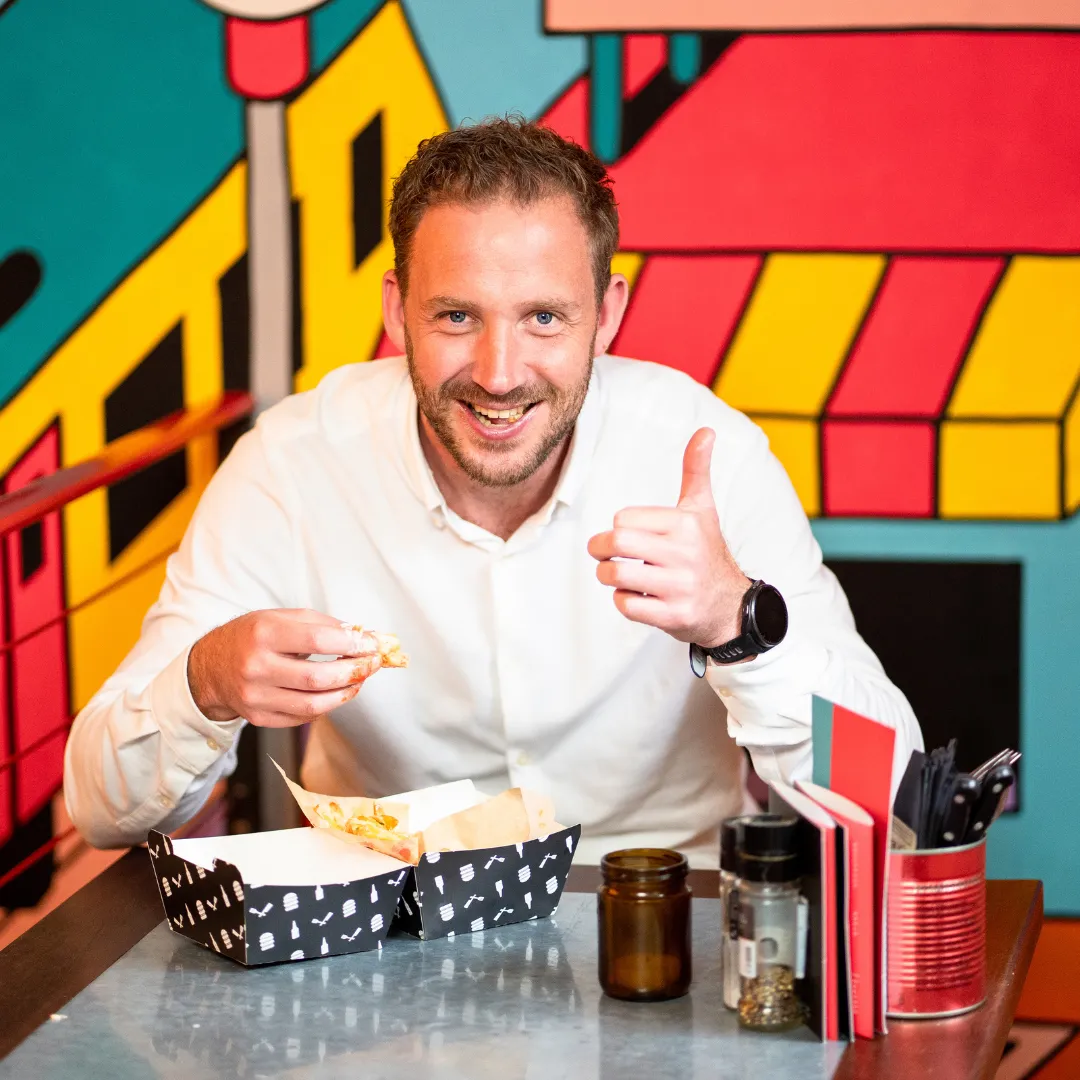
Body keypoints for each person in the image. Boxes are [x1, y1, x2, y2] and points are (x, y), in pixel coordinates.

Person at [64, 118, 922, 863]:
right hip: (384, 926)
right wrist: (204, 684)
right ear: (397, 312)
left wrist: (738, 624)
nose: (499, 374)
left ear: (607, 315)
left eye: (544, 318)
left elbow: (895, 805)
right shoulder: (293, 464)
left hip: (664, 909)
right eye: (456, 316)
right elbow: (101, 810)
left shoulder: (706, 455)